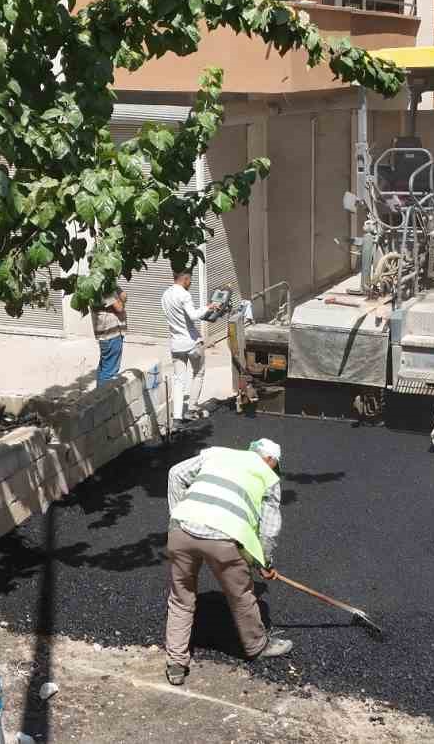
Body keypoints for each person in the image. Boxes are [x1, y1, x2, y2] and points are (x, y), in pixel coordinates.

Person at [163, 438, 292, 685]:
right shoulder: (268, 476)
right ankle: (256, 646)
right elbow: (269, 530)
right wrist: (264, 562)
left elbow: (175, 474)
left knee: (181, 597)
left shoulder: (216, 454)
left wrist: (178, 515)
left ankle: (176, 663)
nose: (274, 470)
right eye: (275, 465)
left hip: (181, 533)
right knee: (241, 595)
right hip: (223, 540)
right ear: (271, 460)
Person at [161, 267, 223, 423]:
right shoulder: (184, 295)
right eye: (190, 280)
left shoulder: (166, 294)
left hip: (176, 345)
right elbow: (194, 315)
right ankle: (192, 409)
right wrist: (209, 307)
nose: (190, 283)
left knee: (178, 380)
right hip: (192, 343)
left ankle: (176, 417)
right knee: (199, 373)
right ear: (185, 279)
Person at [92, 287, 127, 386]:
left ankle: (98, 396)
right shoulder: (104, 288)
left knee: (104, 367)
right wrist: (121, 299)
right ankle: (103, 399)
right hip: (111, 334)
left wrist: (120, 297)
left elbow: (123, 295)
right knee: (109, 372)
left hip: (106, 334)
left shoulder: (97, 285)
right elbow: (119, 307)